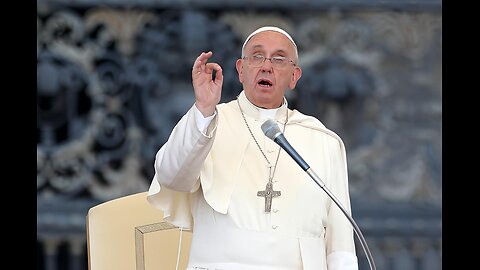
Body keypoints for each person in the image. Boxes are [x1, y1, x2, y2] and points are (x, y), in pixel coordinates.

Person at [147, 26, 359, 270]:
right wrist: (204, 108)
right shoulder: (207, 123)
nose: (266, 66)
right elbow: (172, 177)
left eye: (279, 59)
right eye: (257, 56)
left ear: (294, 76)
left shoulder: (323, 140)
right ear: (241, 70)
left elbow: (340, 244)